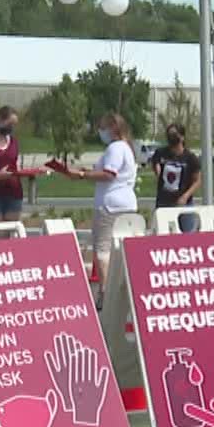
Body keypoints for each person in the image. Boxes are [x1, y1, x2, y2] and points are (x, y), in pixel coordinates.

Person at [60, 112, 138, 295]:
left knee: (103, 249)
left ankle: (106, 291)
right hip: (127, 203)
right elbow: (106, 171)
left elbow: (109, 174)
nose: (99, 131)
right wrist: (85, 172)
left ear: (113, 128)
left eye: (102, 127)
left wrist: (81, 175)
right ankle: (121, 289)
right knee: (123, 248)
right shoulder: (127, 148)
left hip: (110, 205)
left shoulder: (115, 148)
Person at [149, 123, 203, 227]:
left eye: (174, 135)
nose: (171, 138)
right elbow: (156, 165)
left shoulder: (190, 158)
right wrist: (156, 169)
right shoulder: (161, 153)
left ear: (182, 137)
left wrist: (185, 196)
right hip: (164, 202)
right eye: (169, 135)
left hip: (183, 203)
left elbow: (197, 180)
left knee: (186, 235)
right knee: (163, 232)